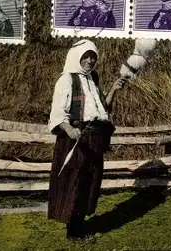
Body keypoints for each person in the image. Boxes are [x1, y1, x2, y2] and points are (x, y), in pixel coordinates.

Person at [47, 39, 127, 241]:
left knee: (89, 183)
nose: (90, 61)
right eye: (86, 56)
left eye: (93, 57)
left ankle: (79, 224)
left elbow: (102, 109)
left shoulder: (93, 79)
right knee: (74, 182)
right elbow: (57, 114)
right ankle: (73, 231)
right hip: (75, 140)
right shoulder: (66, 80)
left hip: (93, 140)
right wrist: (69, 129)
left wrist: (114, 90)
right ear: (76, 57)